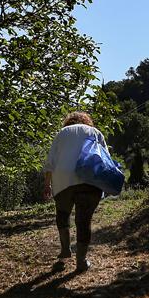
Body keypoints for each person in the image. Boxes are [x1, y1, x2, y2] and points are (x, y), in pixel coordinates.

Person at [43, 111, 106, 272]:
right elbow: (105, 159)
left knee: (63, 214)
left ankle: (65, 249)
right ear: (87, 121)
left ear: (68, 122)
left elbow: (50, 161)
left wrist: (47, 184)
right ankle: (81, 261)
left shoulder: (62, 133)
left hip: (63, 179)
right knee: (84, 221)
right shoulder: (96, 132)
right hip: (89, 180)